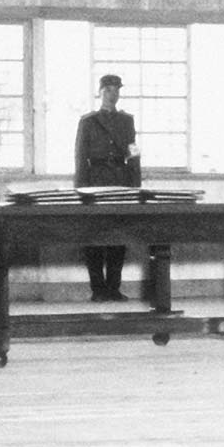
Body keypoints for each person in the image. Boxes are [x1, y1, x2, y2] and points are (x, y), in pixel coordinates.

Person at [75, 74, 141, 302]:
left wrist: (135, 184)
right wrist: (81, 190)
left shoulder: (127, 121)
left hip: (120, 181)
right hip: (95, 181)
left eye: (116, 90)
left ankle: (113, 288)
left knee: (118, 235)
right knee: (93, 236)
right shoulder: (88, 122)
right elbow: (80, 157)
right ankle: (98, 290)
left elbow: (133, 153)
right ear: (100, 92)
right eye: (109, 90)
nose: (113, 95)